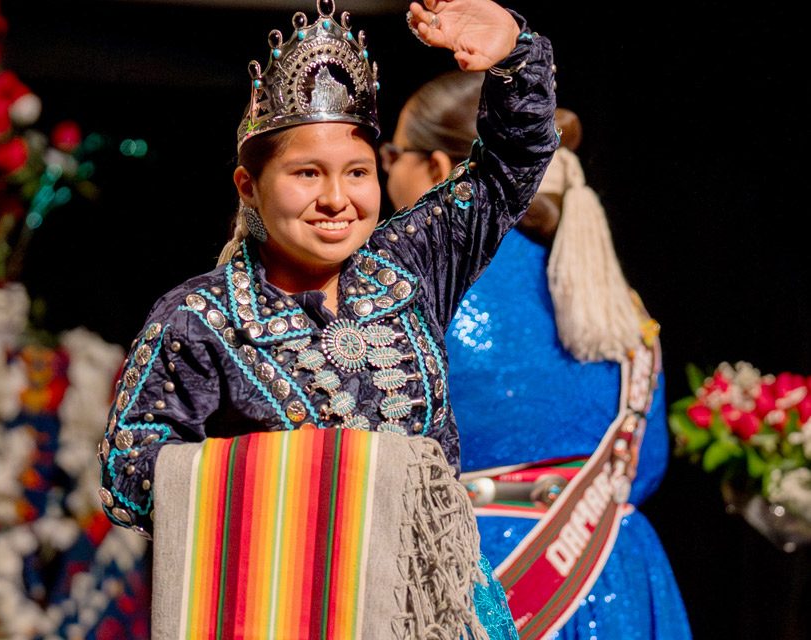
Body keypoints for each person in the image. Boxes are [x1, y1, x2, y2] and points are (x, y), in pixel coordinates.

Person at [98, 0, 557, 637]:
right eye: (307, 173)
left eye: (358, 173)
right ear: (247, 186)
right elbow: (129, 469)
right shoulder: (203, 318)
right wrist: (313, 474)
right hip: (289, 610)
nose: (337, 199)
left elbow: (510, 169)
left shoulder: (411, 266)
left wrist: (513, 54)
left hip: (436, 614)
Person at [383, 71, 693, 638]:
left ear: (435, 171)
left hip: (466, 576)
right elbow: (643, 468)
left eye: (392, 155)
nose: (385, 174)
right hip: (617, 572)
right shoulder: (615, 299)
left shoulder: (409, 287)